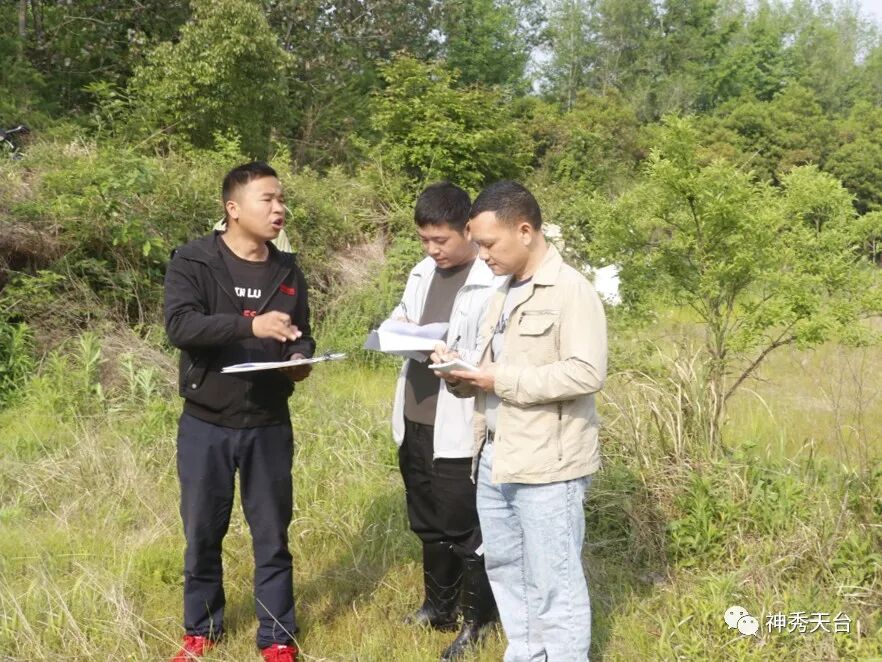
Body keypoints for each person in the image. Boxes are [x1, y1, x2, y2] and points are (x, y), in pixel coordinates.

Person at [432, 180, 607, 662]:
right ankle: (526, 653)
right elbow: (490, 373)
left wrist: (498, 379)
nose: (482, 254)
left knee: (554, 579)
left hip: (548, 464)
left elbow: (586, 372)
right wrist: (459, 374)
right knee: (508, 568)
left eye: (490, 244)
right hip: (494, 456)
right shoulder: (501, 292)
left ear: (525, 231)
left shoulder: (570, 291)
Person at [164, 161, 314, 662]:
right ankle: (201, 630)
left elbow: (301, 334)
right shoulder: (194, 260)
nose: (279, 208)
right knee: (202, 533)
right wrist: (250, 326)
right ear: (233, 208)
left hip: (267, 423)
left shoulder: (288, 270)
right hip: (205, 422)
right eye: (267, 199)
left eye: (281, 199)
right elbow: (182, 326)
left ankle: (277, 637)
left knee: (272, 536)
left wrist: (299, 359)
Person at [388, 182, 503, 660]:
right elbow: (402, 315)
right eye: (424, 240)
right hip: (416, 413)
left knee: (463, 525)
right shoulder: (421, 272)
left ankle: (479, 621)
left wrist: (451, 353)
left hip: (458, 422)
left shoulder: (491, 279)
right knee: (426, 520)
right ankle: (438, 608)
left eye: (441, 240)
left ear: (468, 231)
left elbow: (493, 350)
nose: (432, 250)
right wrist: (400, 331)